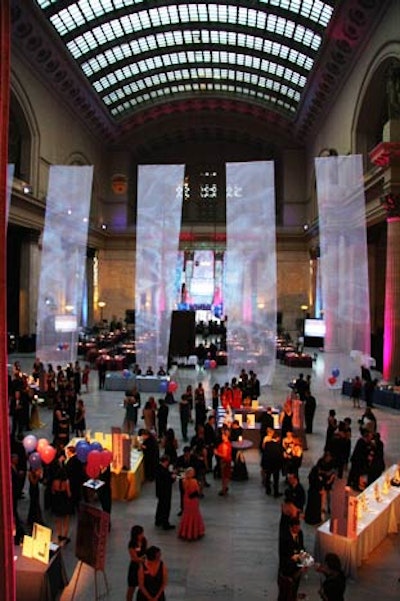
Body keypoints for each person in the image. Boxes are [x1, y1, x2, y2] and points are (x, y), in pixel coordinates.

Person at [278, 517, 305, 601]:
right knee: (286, 588)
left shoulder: (300, 533)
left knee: (295, 585)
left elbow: (301, 547)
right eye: (296, 527)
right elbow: (283, 554)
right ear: (291, 527)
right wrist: (294, 556)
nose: (298, 529)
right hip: (287, 565)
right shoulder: (284, 537)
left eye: (299, 527)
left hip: (297, 564)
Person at [177, 467, 205, 541]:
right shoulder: (194, 481)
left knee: (186, 514)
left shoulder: (183, 481)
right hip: (193, 500)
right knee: (194, 514)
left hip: (186, 499)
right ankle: (194, 532)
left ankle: (185, 531)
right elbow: (197, 491)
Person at [51, 461, 72, 543]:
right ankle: (65, 536)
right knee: (66, 520)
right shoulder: (66, 482)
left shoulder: (54, 482)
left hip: (57, 501)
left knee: (58, 519)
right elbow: (69, 493)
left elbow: (52, 491)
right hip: (65, 501)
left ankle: (59, 535)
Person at [126, 525, 147, 601]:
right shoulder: (132, 544)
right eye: (140, 534)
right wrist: (141, 559)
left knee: (144, 586)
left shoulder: (144, 540)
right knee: (132, 587)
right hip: (134, 567)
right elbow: (134, 558)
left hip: (143, 566)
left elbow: (145, 551)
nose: (142, 535)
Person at [155, 455, 176, 530]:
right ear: (166, 461)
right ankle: (165, 523)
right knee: (166, 507)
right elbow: (168, 480)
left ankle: (158, 520)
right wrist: (173, 477)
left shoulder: (158, 468)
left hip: (160, 491)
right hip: (165, 492)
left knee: (160, 506)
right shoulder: (163, 470)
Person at [261, 428, 283, 497]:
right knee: (276, 479)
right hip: (275, 464)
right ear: (277, 438)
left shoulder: (267, 444)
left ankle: (268, 490)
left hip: (268, 463)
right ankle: (276, 492)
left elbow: (264, 453)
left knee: (268, 476)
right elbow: (280, 456)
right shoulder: (278, 446)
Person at [214, 428, 232, 496]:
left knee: (224, 477)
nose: (222, 437)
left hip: (224, 461)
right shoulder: (228, 443)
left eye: (223, 436)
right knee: (226, 476)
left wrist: (217, 453)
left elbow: (224, 455)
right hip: (228, 461)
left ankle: (223, 489)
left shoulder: (224, 445)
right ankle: (225, 487)